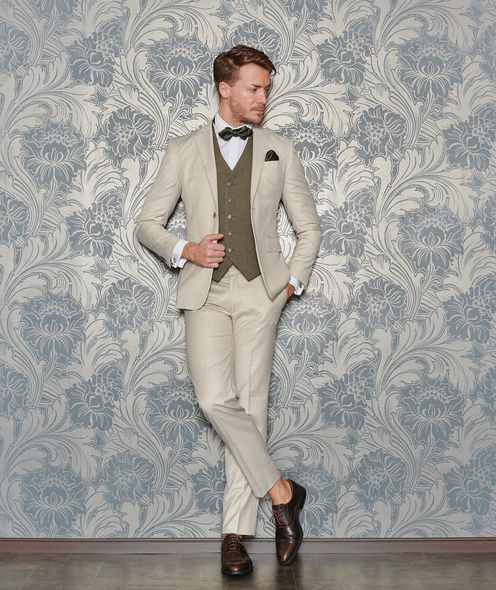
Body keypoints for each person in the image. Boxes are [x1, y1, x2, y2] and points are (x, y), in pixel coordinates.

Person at [136, 44, 321, 576]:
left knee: (251, 405)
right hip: (206, 292)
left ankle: (234, 535)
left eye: (266, 89)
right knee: (215, 399)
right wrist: (186, 250)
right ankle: (283, 493)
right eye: (253, 88)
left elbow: (309, 228)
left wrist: (291, 281)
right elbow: (147, 225)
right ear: (225, 88)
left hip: (262, 291)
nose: (263, 97)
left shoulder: (280, 149)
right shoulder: (183, 150)